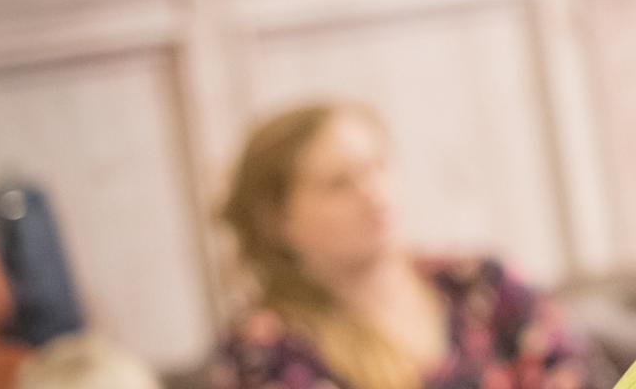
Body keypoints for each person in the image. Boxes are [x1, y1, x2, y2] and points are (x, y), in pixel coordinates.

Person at [206, 103, 596, 389]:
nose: (374, 194)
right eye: (339, 184)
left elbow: (578, 374)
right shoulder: (264, 350)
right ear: (278, 220)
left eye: (377, 167)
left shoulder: (480, 283)